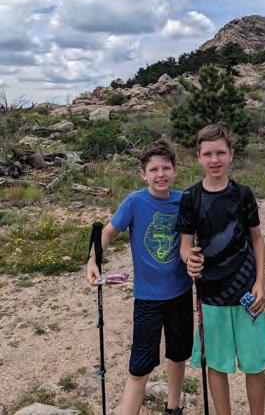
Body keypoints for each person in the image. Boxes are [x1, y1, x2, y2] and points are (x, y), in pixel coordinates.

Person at [87, 139, 193, 415]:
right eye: (154, 169)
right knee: (140, 367)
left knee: (178, 355)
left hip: (181, 294)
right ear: (143, 174)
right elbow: (107, 232)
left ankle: (173, 407)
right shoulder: (134, 202)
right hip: (148, 300)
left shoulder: (185, 201)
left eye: (166, 168)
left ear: (175, 170)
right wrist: (93, 259)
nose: (161, 174)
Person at [177, 123, 265, 415]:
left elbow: (257, 239)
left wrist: (261, 282)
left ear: (231, 154)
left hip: (248, 294)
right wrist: (189, 260)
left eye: (220, 152)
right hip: (210, 296)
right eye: (208, 154)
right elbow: (185, 247)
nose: (214, 159)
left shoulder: (243, 194)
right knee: (216, 364)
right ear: (198, 157)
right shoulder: (190, 198)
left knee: (255, 364)